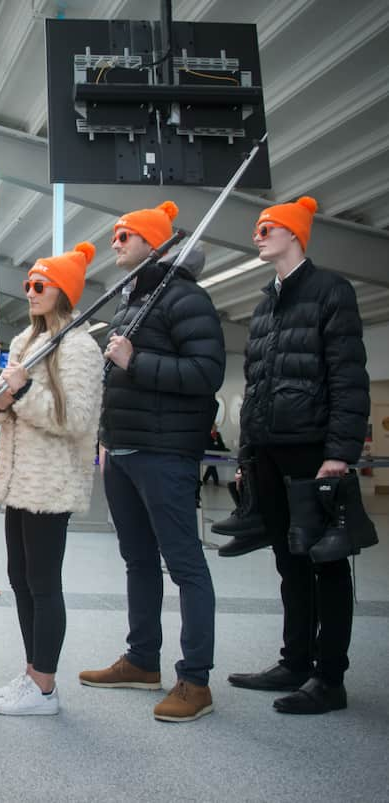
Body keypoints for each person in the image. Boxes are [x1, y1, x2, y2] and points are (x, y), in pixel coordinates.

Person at [222, 196, 370, 715]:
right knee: (289, 561)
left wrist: (340, 452)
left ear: (295, 235)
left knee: (325, 562)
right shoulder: (265, 307)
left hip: (313, 451)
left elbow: (348, 378)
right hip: (269, 452)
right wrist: (245, 455)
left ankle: (330, 678)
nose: (258, 235)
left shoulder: (331, 292)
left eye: (268, 227)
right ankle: (296, 661)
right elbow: (256, 388)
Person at [80, 201, 225, 723]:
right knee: (137, 561)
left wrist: (134, 360)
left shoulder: (187, 299)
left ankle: (195, 680)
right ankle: (143, 660)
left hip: (164, 455)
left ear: (153, 244)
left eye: (126, 235)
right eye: (116, 234)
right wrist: (104, 437)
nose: (114, 242)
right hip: (121, 451)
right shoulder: (132, 302)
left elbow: (206, 372)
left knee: (185, 565)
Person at [0, 243, 104, 716]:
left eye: (40, 286)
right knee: (19, 576)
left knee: (43, 580)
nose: (30, 293)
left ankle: (46, 687)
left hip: (51, 482)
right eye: (28, 285)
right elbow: (6, 415)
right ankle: (33, 671)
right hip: (17, 477)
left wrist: (24, 390)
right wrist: (0, 400)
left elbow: (76, 418)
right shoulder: (24, 343)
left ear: (63, 293)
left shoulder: (80, 347)